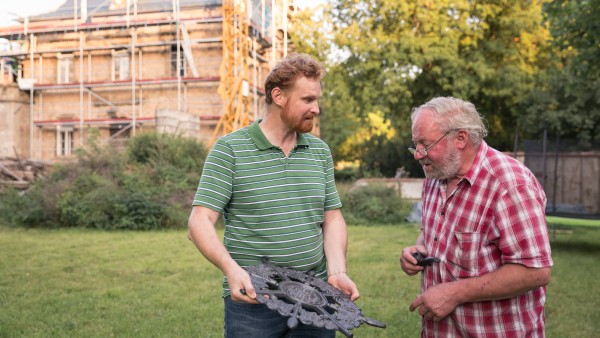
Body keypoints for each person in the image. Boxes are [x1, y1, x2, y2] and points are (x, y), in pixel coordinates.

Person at [188, 52, 359, 338]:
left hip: (316, 297)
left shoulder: (319, 151)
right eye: (307, 100)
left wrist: (338, 271)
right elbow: (199, 221)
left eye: (317, 100)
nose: (316, 109)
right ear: (278, 96)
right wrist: (231, 269)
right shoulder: (230, 150)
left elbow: (332, 219)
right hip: (254, 298)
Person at [399, 97, 553, 337]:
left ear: (460, 138)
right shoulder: (436, 175)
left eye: (425, 144)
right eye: (415, 144)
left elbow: (535, 271)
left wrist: (453, 293)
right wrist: (419, 250)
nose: (418, 154)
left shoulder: (510, 185)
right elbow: (433, 232)